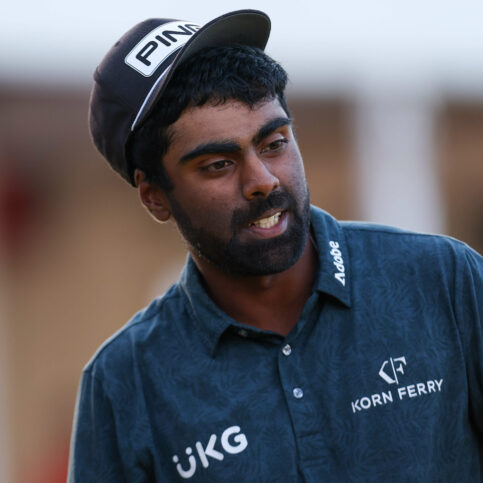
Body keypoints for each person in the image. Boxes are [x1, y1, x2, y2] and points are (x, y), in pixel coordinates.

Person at [68, 9, 482, 482]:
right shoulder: (125, 383)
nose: (262, 180)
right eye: (218, 164)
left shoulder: (443, 281)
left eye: (274, 142)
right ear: (155, 196)